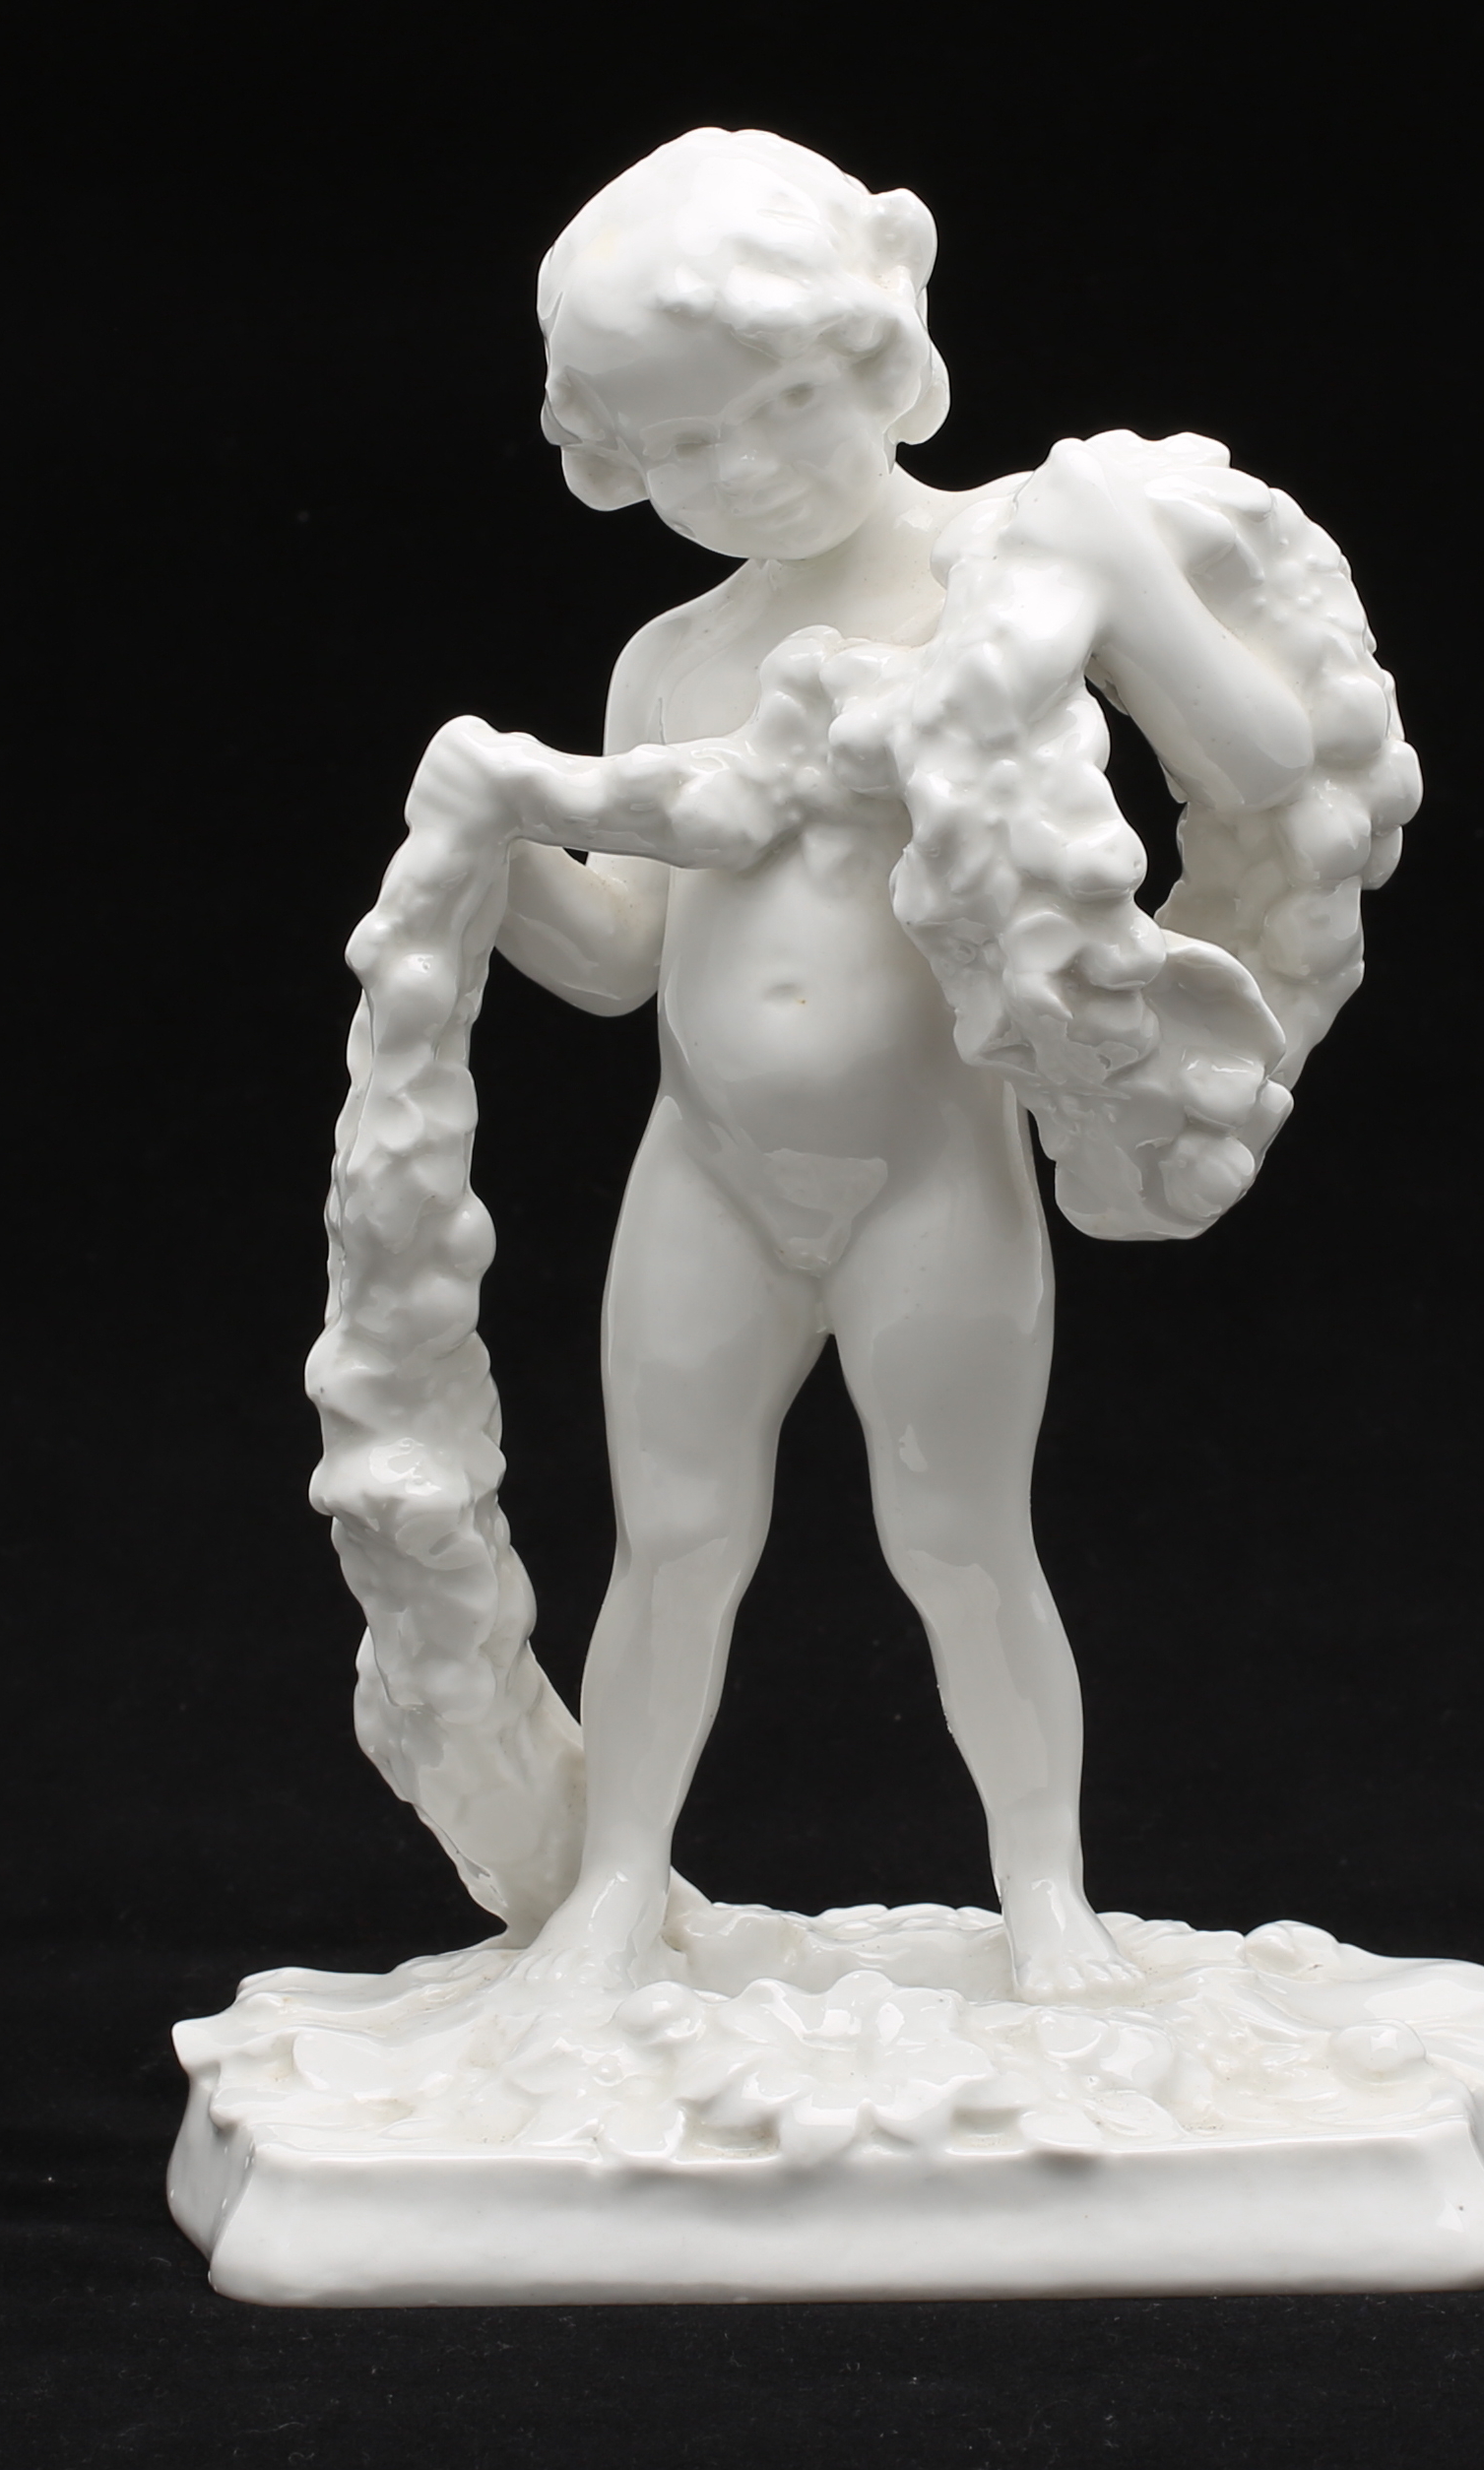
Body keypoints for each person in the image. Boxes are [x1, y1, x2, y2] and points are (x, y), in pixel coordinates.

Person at [492, 130, 1143, 2000]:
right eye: (688, 441)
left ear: (881, 347)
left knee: (958, 1538)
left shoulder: (996, 578)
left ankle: (1046, 1893)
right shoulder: (669, 659)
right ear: (619, 456)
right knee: (672, 1540)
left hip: (929, 1164)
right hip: (704, 1169)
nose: (749, 466)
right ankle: (618, 1882)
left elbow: (1149, 810)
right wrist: (497, 838)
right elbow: (618, 961)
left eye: (784, 401)